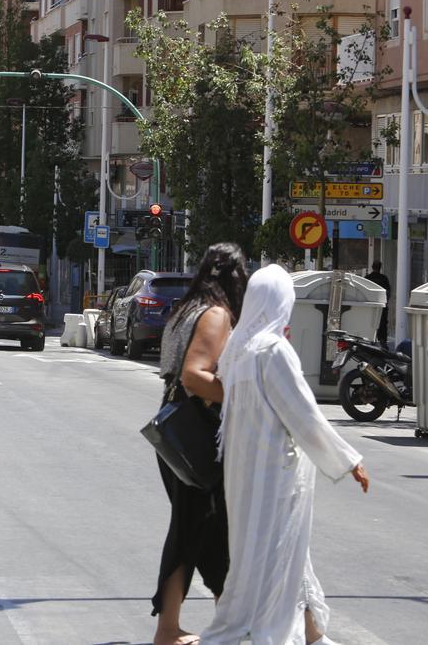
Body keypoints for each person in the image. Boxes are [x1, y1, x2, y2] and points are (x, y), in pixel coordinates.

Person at [200, 264, 370, 645]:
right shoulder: (272, 351)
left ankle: (312, 633)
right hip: (275, 477)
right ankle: (268, 633)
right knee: (275, 557)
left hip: (243, 476)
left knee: (280, 554)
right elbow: (303, 415)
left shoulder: (237, 352)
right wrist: (348, 460)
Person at [152, 242, 249, 645]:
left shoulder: (185, 309)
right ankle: (168, 628)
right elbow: (194, 376)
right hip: (196, 433)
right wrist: (245, 396)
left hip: (176, 428)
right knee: (192, 530)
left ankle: (228, 619)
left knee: (207, 530)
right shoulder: (215, 314)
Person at [365, 261, 391, 345]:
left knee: (370, 323)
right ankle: (383, 343)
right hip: (382, 306)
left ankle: (370, 341)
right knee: (382, 324)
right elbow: (388, 293)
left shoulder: (367, 278)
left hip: (370, 306)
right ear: (380, 268)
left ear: (372, 267)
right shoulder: (384, 278)